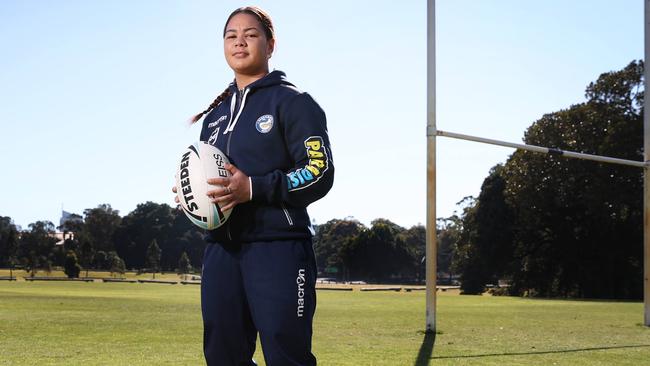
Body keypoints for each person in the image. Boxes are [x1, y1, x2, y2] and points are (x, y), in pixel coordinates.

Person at [174, 6, 334, 366]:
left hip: (278, 248)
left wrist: (254, 188)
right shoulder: (214, 118)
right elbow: (211, 182)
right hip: (222, 251)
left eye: (250, 34)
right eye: (231, 35)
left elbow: (319, 171)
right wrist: (191, 195)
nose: (239, 41)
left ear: (270, 44)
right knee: (222, 356)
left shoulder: (293, 102)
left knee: (286, 356)